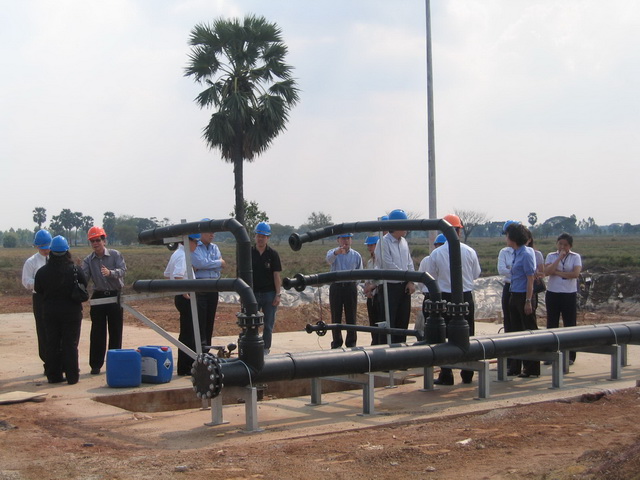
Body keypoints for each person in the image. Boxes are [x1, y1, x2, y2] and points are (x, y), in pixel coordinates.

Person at [422, 214, 481, 385]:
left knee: (444, 337)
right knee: (468, 334)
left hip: (445, 298)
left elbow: (431, 277)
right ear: (459, 231)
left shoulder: (436, 253)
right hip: (466, 297)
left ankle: (446, 374)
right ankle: (468, 373)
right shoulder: (469, 251)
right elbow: (476, 273)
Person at [34, 236, 87, 384]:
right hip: (72, 313)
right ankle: (72, 376)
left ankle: (53, 376)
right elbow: (84, 284)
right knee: (70, 343)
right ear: (67, 251)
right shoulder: (75, 270)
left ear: (51, 251)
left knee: (52, 343)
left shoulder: (42, 272)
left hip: (50, 313)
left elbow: (38, 290)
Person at [82, 226, 127, 375]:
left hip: (114, 296)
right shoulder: (88, 260)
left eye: (97, 240)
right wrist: (78, 273)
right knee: (97, 332)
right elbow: (84, 278)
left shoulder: (115, 255)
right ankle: (96, 365)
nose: (95, 243)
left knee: (115, 331)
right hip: (99, 296)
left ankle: (115, 363)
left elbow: (123, 270)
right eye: (92, 241)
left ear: (104, 240)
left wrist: (111, 273)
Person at [374, 209, 415, 344]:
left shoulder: (404, 242)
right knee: (389, 321)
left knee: (402, 322)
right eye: (404, 225)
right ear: (396, 226)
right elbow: (387, 265)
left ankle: (400, 350)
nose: (406, 228)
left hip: (404, 287)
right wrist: (405, 276)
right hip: (390, 288)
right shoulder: (383, 242)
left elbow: (409, 262)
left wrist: (410, 281)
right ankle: (385, 351)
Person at [505, 223, 540, 378]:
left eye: (507, 235)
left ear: (513, 238)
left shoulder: (526, 254)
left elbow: (530, 279)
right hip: (514, 293)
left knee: (529, 330)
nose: (506, 238)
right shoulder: (515, 253)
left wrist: (528, 301)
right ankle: (515, 366)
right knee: (515, 331)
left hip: (524, 296)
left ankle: (532, 368)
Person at [164, 233, 201, 375]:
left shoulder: (177, 254)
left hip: (181, 296)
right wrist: (184, 291)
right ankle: (186, 366)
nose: (196, 245)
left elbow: (167, 274)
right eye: (195, 242)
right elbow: (178, 275)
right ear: (188, 241)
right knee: (188, 333)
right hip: (185, 298)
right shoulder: (182, 256)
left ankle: (185, 365)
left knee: (187, 331)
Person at [544, 232, 582, 365]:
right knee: (552, 323)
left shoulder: (575, 257)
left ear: (570, 246)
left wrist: (557, 273)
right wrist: (559, 258)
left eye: (565, 245)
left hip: (568, 294)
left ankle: (570, 355)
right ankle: (551, 354)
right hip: (553, 293)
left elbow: (575, 274)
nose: (562, 247)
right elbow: (547, 272)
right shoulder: (551, 256)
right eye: (560, 244)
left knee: (569, 324)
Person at [191, 221, 226, 351]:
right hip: (200, 286)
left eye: (213, 232)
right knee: (200, 319)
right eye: (209, 232)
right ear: (201, 232)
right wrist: (217, 263)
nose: (212, 234)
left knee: (210, 319)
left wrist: (207, 264)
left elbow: (221, 265)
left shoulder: (215, 247)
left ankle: (207, 349)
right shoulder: (195, 246)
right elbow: (199, 263)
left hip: (214, 286)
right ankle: (199, 349)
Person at [21, 229, 52, 374]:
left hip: (54, 298)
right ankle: (47, 361)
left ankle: (59, 360)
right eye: (43, 247)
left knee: (56, 329)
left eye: (48, 247)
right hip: (40, 298)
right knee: (43, 329)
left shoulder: (55, 259)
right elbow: (26, 281)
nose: (46, 250)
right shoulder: (31, 262)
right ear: (37, 246)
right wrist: (40, 283)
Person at [326, 233, 363, 348]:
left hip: (350, 286)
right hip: (336, 286)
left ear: (351, 240)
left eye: (348, 238)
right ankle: (337, 342)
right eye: (343, 239)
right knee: (336, 315)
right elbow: (328, 260)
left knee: (351, 315)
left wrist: (353, 284)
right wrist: (337, 252)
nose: (345, 241)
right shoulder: (332, 252)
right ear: (338, 240)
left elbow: (360, 272)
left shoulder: (356, 255)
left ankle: (351, 342)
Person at [251, 222, 282, 355]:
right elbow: (242, 274)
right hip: (252, 293)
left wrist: (278, 294)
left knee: (268, 324)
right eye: (258, 235)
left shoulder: (273, 254)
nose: (260, 238)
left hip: (269, 293)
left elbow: (276, 275)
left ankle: (265, 348)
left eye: (263, 236)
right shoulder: (249, 253)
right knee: (252, 323)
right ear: (255, 236)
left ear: (268, 238)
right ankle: (253, 347)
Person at [497, 221, 519, 333]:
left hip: (522, 288)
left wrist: (510, 269)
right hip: (509, 286)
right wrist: (518, 273)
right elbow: (501, 270)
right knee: (508, 317)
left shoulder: (527, 252)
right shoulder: (504, 252)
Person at [362, 235, 382, 345]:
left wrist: (372, 286)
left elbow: (382, 278)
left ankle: (380, 341)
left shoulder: (381, 261)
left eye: (371, 245)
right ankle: (374, 340)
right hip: (371, 296)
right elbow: (367, 278)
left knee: (380, 319)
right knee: (373, 320)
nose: (369, 248)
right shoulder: (370, 262)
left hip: (380, 294)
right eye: (368, 245)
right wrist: (368, 289)